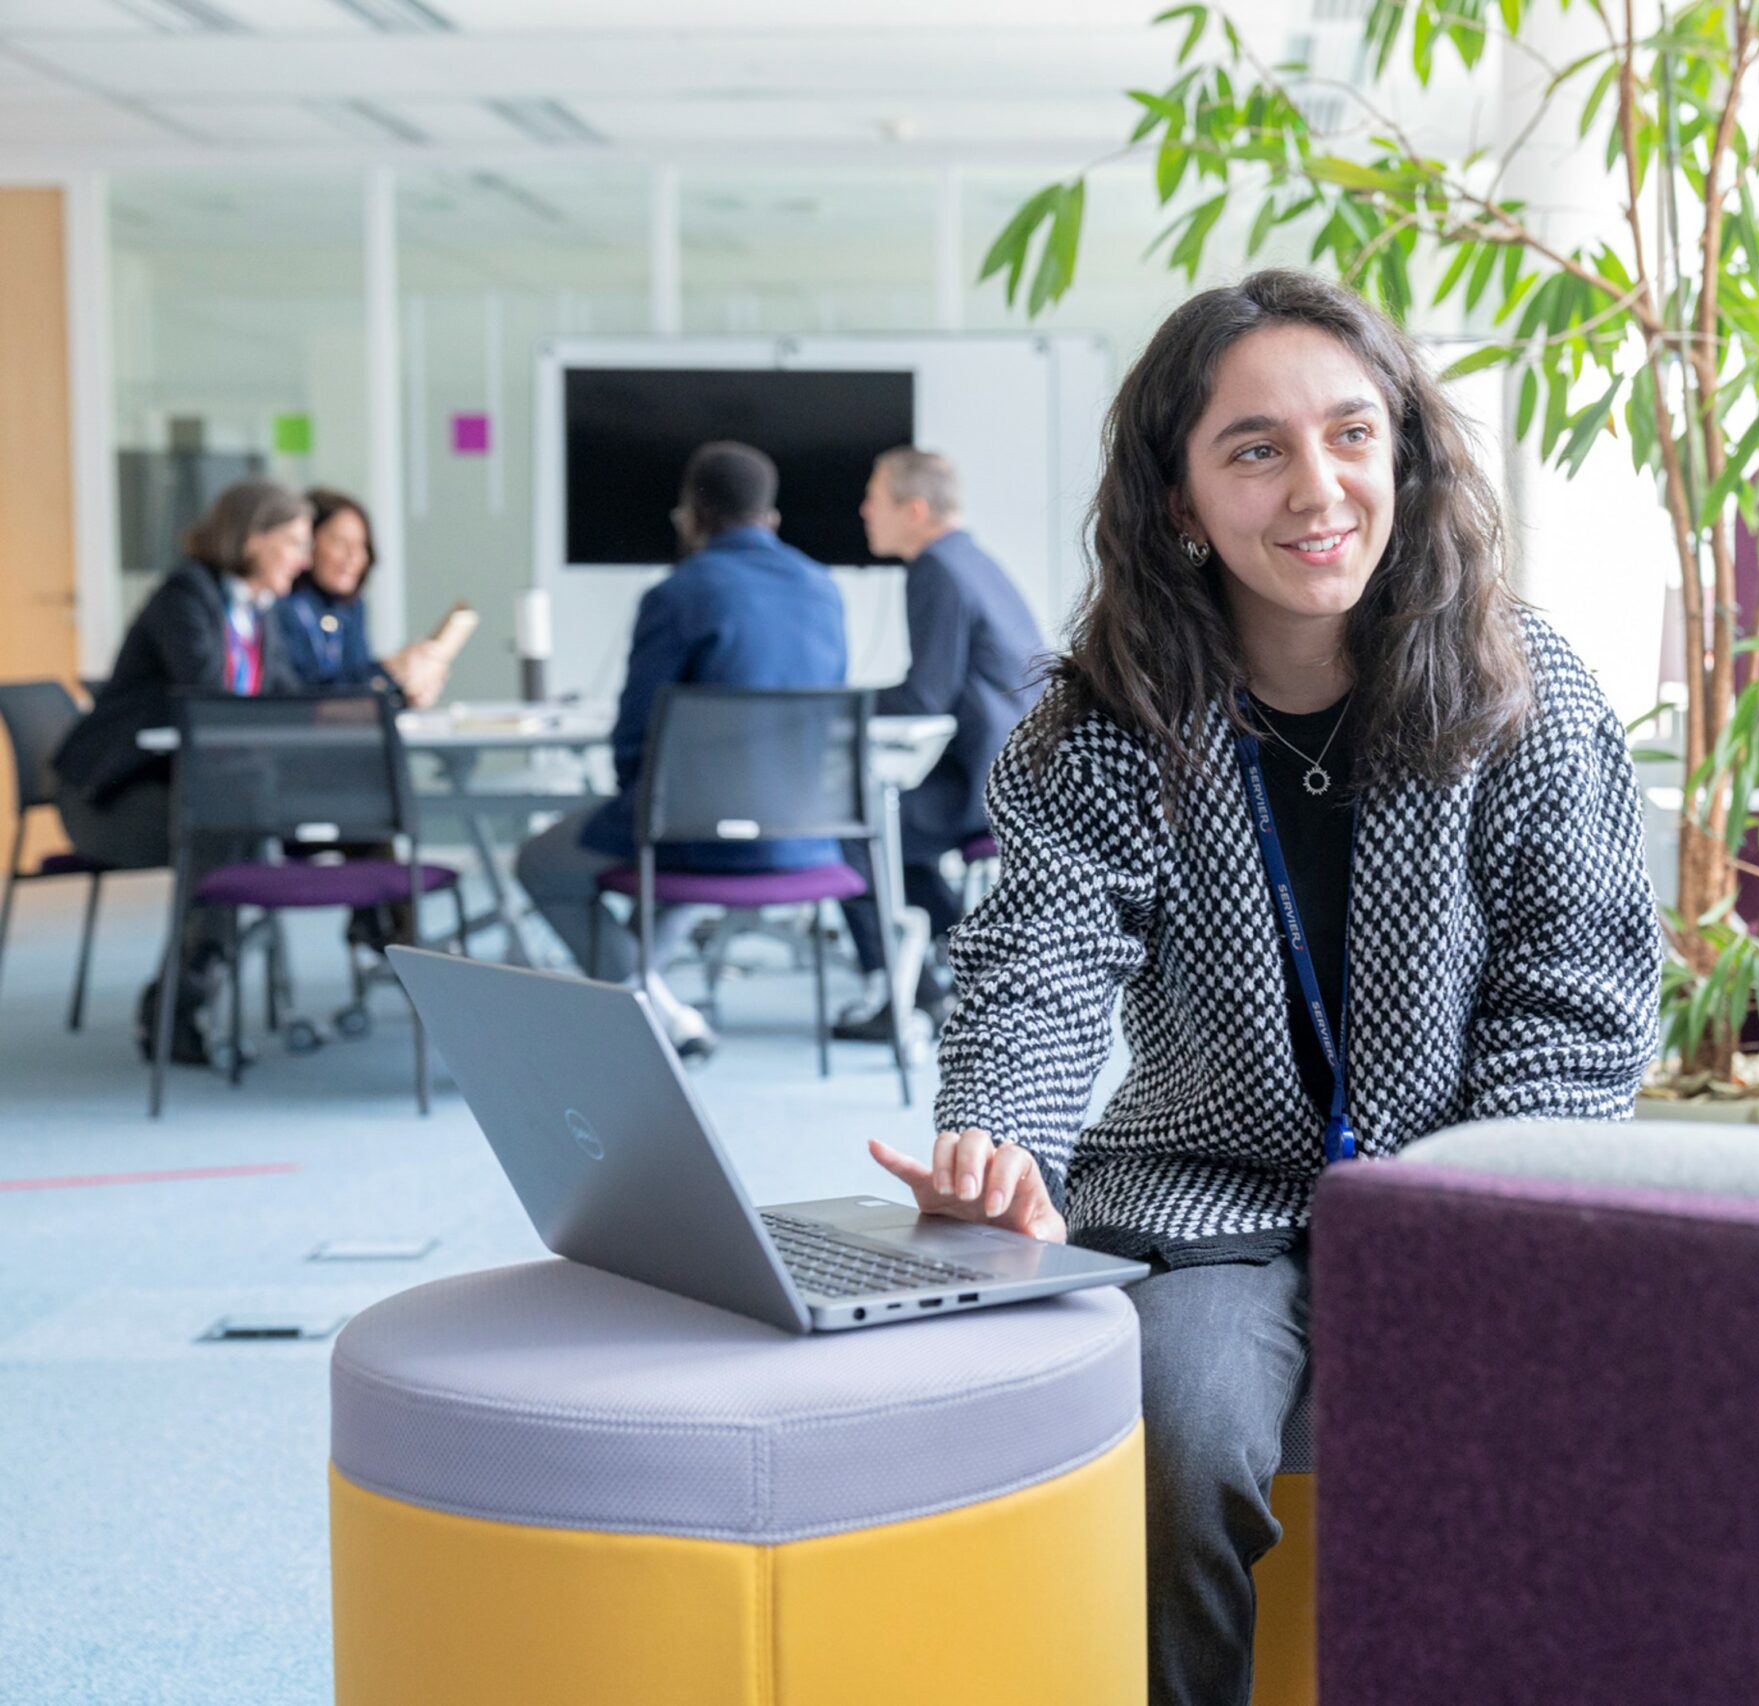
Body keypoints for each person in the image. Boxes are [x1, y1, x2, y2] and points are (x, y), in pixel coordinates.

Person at [865, 269, 1662, 1703]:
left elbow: (1577, 998)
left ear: (1406, 457)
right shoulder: (1110, 716)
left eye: (1355, 435)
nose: (1320, 486)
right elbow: (1039, 957)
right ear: (1178, 497)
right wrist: (1001, 1137)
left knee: (1507, 1460)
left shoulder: (1524, 683)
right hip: (1209, 1203)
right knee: (1175, 1443)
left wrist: (1471, 1225)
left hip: (1467, 1202)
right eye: (1256, 448)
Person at [512, 441, 848, 1061]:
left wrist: (636, 802)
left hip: (693, 830)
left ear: (692, 514)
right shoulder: (823, 589)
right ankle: (654, 995)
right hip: (802, 829)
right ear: (768, 517)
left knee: (539, 861)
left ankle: (647, 1005)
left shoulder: (677, 592)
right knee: (673, 867)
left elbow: (636, 731)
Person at [51, 477, 311, 1064]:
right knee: (225, 828)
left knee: (233, 821)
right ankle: (183, 1001)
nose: (304, 559)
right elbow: (208, 696)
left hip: (194, 792)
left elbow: (289, 698)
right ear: (252, 537)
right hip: (109, 799)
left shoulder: (257, 613)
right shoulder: (185, 597)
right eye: (293, 542)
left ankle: (183, 999)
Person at [833, 447, 1043, 1037]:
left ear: (915, 508)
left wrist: (833, 704)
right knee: (898, 837)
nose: (864, 510)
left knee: (851, 833)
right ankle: (955, 975)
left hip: (983, 785)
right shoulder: (971, 560)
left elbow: (925, 695)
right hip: (1013, 775)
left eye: (875, 497)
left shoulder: (935, 569)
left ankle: (901, 1001)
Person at [276, 488, 448, 707]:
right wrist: (388, 670)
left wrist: (403, 692)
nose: (353, 557)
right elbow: (304, 696)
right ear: (308, 542)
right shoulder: (282, 607)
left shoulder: (351, 608)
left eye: (361, 546)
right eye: (340, 543)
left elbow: (355, 688)